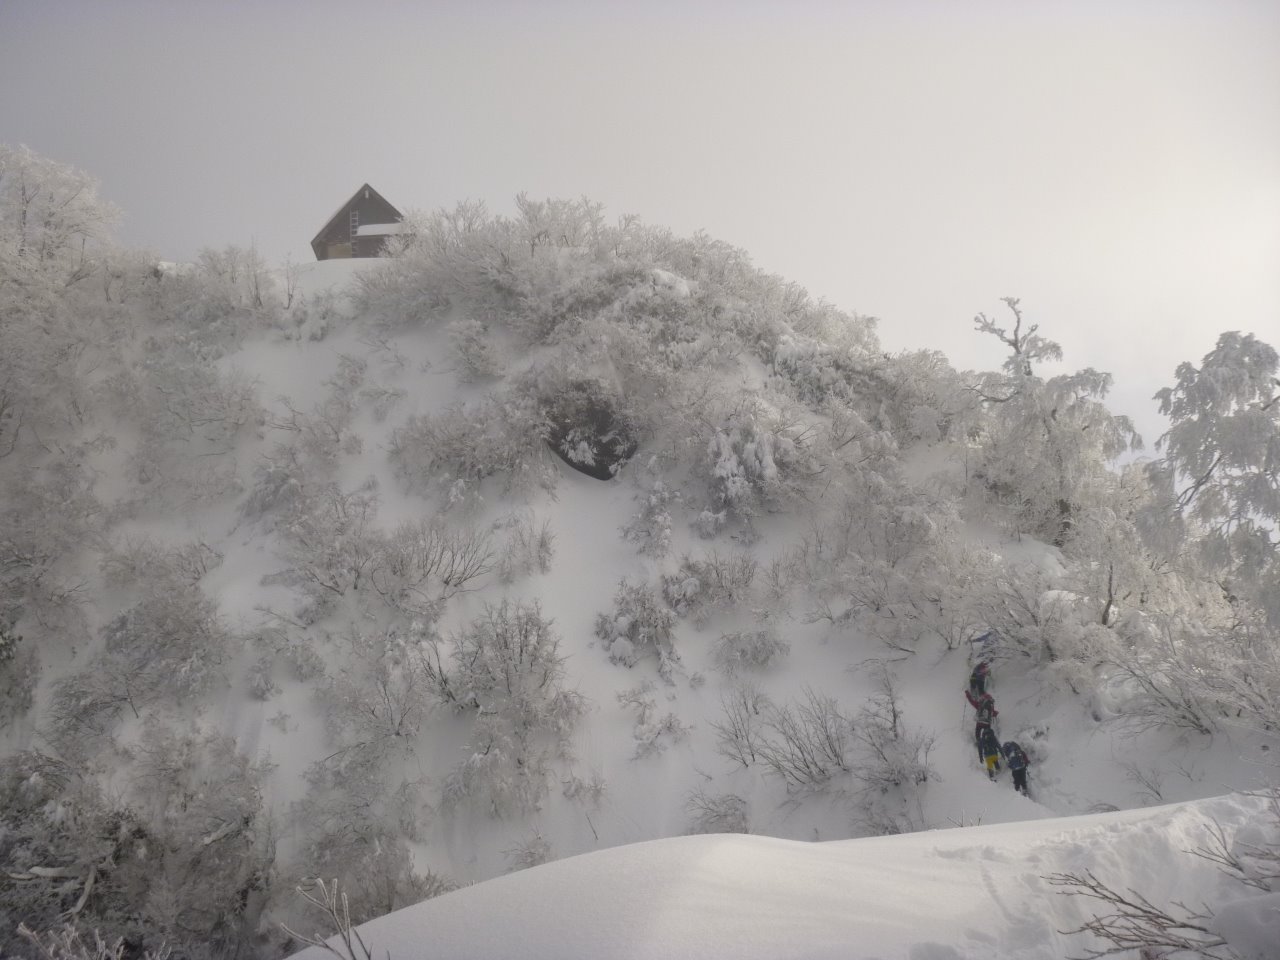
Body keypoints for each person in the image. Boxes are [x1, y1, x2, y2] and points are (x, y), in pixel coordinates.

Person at [966, 689, 998, 760]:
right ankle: (987, 745)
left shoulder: (980, 704)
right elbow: (992, 713)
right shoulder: (990, 705)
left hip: (980, 722)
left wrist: (968, 695)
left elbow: (972, 702)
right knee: (987, 734)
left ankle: (978, 742)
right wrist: (996, 713)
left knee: (978, 732)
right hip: (987, 723)